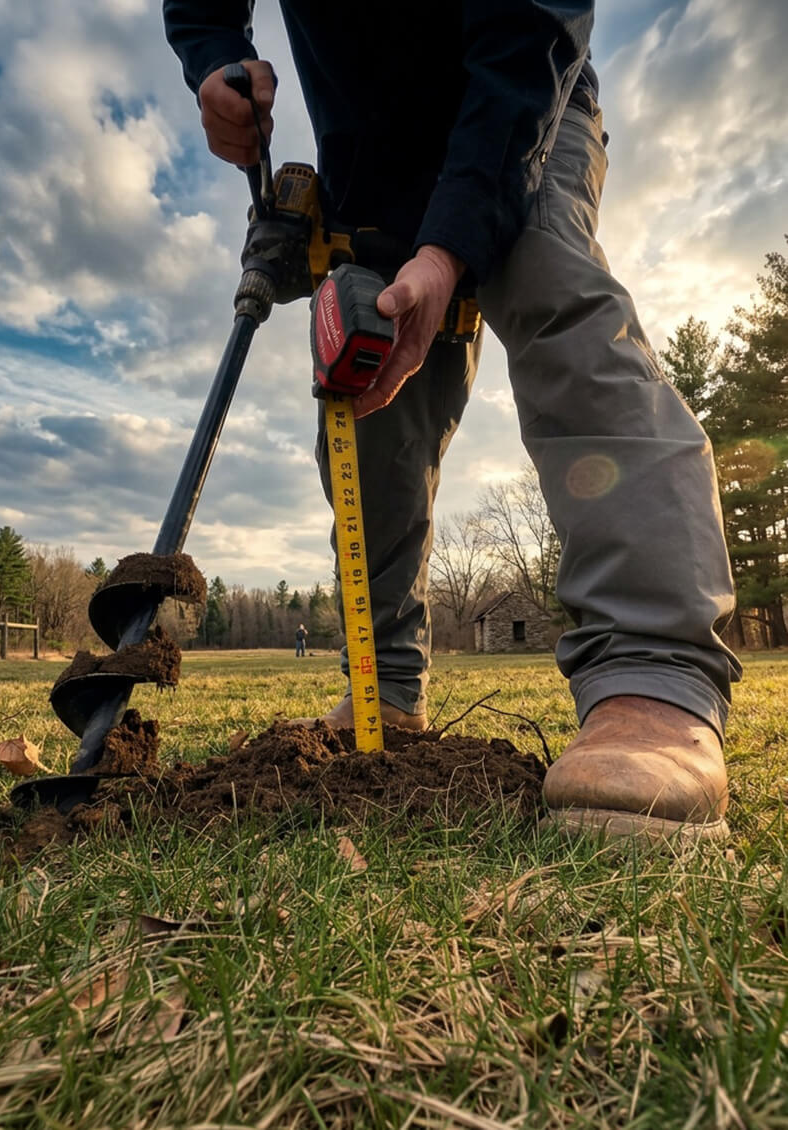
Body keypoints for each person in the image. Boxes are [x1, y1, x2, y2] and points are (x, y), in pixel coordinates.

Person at [163, 1, 742, 841]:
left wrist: (451, 246)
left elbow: (534, 25)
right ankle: (387, 686)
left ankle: (656, 679)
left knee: (549, 286)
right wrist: (214, 55)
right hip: (371, 177)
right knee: (371, 412)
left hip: (521, 111)